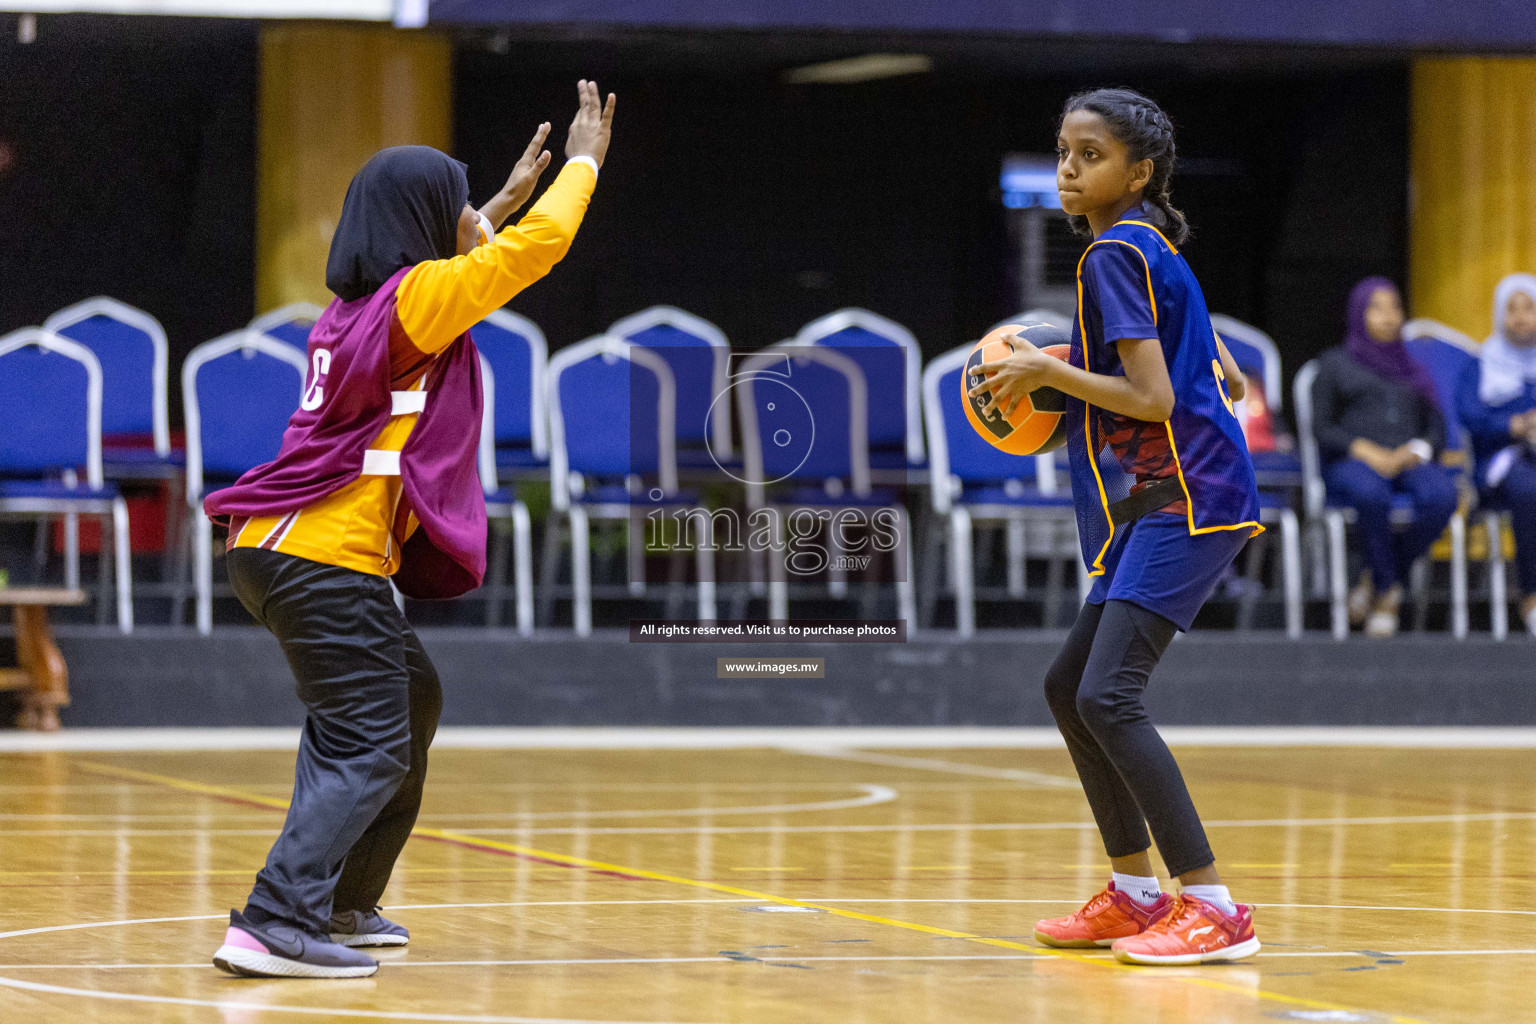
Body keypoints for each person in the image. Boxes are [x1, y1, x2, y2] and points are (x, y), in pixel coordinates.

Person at [204, 81, 616, 979]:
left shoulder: (361, 307)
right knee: (370, 738)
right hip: (323, 559)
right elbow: (531, 255)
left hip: (275, 550)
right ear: (424, 220)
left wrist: (486, 213)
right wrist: (583, 164)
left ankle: (344, 902)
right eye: (456, 201)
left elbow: (465, 271)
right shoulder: (416, 300)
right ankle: (276, 918)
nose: (473, 214)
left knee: (406, 703)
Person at [971, 88, 1262, 965]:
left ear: (1137, 172)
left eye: (1089, 154)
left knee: (1108, 695)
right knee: (1072, 688)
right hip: (1173, 491)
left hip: (1191, 496)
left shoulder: (1115, 257)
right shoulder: (1145, 248)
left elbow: (1152, 398)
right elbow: (1226, 377)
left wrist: (1040, 372)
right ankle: (1136, 893)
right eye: (1063, 150)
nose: (1068, 167)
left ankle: (1211, 906)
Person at [1310, 278, 1457, 637]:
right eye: (1377, 308)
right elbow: (1320, 427)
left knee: (1442, 496)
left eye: (1395, 307)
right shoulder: (1334, 364)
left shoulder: (1414, 368)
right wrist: (1365, 450)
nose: (1389, 316)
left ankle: (1377, 582)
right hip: (1354, 460)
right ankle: (1388, 592)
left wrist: (1417, 450)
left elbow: (1436, 428)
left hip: (1408, 460)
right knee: (1371, 495)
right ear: (1359, 314)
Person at [1457, 273, 1536, 636]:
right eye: (1512, 308)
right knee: (1528, 489)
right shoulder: (1482, 363)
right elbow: (1469, 415)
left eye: (1529, 308)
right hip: (1498, 466)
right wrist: (1515, 426)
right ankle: (1531, 595)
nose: (1521, 317)